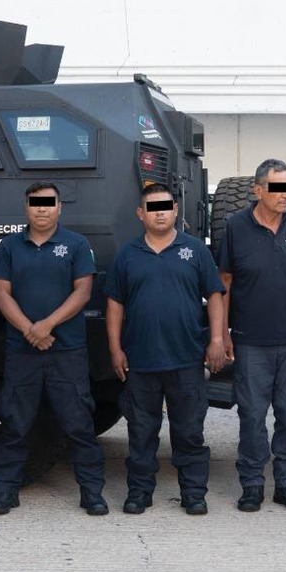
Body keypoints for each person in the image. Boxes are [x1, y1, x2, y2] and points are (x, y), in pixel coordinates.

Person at [106, 180, 228, 516]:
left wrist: (217, 340)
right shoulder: (127, 255)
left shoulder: (195, 251)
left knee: (189, 432)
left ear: (175, 210)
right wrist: (115, 348)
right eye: (153, 208)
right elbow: (114, 304)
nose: (160, 214)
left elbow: (215, 295)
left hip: (186, 359)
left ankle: (194, 493)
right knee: (141, 432)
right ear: (140, 214)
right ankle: (139, 492)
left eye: (166, 208)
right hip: (141, 360)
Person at [214, 158, 286, 514]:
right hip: (250, 341)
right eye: (277, 188)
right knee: (252, 415)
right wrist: (223, 333)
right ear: (257, 190)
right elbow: (225, 281)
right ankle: (252, 485)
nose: (285, 195)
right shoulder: (236, 226)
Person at [0, 181, 104, 515]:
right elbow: (1, 294)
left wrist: (47, 325)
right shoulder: (10, 246)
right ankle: (5, 493)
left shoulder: (76, 244)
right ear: (26, 207)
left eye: (49, 203)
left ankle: (92, 494)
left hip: (66, 351)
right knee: (14, 424)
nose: (42, 209)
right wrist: (30, 330)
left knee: (79, 425)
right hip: (22, 351)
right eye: (35, 203)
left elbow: (83, 292)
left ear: (59, 207)